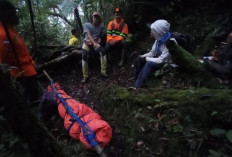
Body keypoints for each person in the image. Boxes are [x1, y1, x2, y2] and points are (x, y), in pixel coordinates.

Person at [0, 0, 39, 104]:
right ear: (7, 15)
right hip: (22, 75)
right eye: (14, 13)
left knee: (36, 96)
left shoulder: (10, 29)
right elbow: (5, 60)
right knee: (33, 100)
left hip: (29, 70)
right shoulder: (3, 34)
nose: (16, 16)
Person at [134, 19, 171, 88]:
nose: (150, 32)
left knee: (149, 64)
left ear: (158, 32)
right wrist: (143, 56)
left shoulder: (170, 43)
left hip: (167, 64)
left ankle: (138, 86)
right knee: (139, 59)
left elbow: (161, 60)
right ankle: (136, 81)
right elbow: (153, 52)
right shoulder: (158, 40)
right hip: (159, 61)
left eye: (152, 31)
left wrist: (147, 59)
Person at [81, 11, 108, 83]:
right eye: (94, 17)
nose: (96, 18)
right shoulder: (86, 25)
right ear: (92, 18)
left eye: (97, 17)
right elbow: (88, 34)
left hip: (95, 43)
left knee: (103, 52)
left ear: (99, 19)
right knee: (84, 55)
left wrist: (99, 38)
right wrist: (93, 43)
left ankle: (103, 71)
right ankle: (85, 76)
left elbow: (100, 35)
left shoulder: (101, 26)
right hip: (87, 42)